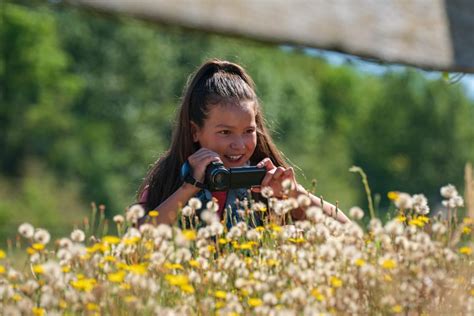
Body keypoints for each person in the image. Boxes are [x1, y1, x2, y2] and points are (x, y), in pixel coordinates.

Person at [137, 59, 349, 226]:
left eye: (249, 131)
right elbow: (135, 246)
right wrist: (188, 188)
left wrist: (294, 194)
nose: (239, 144)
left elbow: (350, 234)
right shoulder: (168, 182)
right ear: (195, 131)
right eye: (225, 132)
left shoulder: (269, 185)